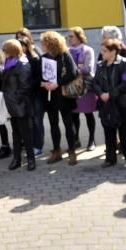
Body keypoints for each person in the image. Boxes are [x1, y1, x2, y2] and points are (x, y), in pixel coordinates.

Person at [40, 31, 79, 164]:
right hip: (50, 96)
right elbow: (40, 76)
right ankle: (57, 151)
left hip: (64, 95)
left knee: (68, 124)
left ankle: (72, 151)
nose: (42, 45)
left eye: (44, 43)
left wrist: (58, 83)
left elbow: (73, 73)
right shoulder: (44, 57)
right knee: (53, 124)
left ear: (51, 44)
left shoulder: (64, 55)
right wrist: (44, 83)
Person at [94, 40, 126, 168]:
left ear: (113, 51)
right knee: (108, 132)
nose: (102, 53)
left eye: (105, 51)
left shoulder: (123, 64)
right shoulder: (100, 65)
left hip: (121, 104)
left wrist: (110, 94)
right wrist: (101, 94)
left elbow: (125, 83)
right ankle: (110, 159)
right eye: (102, 50)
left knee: (125, 133)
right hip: (105, 105)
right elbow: (95, 83)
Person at [1, 39, 36, 171]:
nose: (4, 52)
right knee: (15, 132)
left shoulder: (23, 64)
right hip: (11, 104)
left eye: (5, 50)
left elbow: (25, 86)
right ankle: (17, 159)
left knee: (25, 133)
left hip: (20, 104)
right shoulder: (9, 63)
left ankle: (31, 159)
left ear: (12, 51)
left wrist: (15, 99)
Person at [67, 27, 97, 150]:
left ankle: (91, 140)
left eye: (71, 36)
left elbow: (88, 69)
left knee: (88, 113)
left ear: (79, 37)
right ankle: (76, 139)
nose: (69, 39)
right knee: (74, 114)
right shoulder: (67, 51)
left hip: (86, 86)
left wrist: (74, 70)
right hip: (72, 87)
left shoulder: (87, 50)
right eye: (68, 36)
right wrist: (77, 68)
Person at [18, 34, 46, 157]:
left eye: (22, 46)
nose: (20, 48)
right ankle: (33, 146)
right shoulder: (20, 60)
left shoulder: (34, 59)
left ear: (26, 46)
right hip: (27, 95)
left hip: (36, 94)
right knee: (30, 121)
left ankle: (38, 147)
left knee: (37, 120)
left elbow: (38, 78)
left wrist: (28, 86)